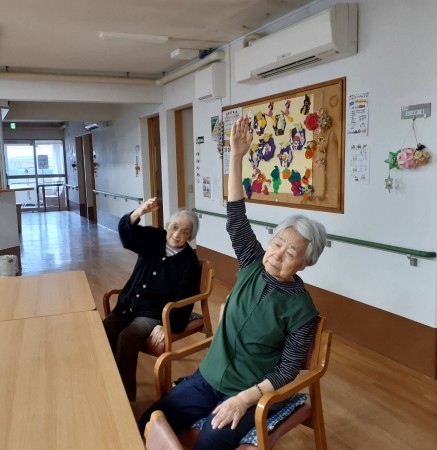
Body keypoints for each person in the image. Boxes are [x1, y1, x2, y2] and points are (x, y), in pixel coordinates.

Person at [138, 117, 327, 449]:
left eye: (291, 252)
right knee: (149, 420)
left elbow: (287, 370)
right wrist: (237, 156)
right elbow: (236, 218)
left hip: (249, 391)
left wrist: (244, 399)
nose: (278, 254)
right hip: (208, 377)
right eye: (277, 243)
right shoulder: (253, 262)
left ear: (306, 262)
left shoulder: (301, 309)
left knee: (208, 444)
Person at [103, 197, 201, 401]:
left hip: (153, 313)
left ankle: (124, 396)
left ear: (190, 236)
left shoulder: (189, 261)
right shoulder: (155, 238)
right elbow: (127, 236)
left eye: (185, 231)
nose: (177, 234)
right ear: (168, 226)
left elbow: (186, 298)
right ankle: (105, 380)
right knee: (104, 330)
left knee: (128, 336)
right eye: (175, 227)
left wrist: (167, 325)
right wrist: (139, 212)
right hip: (129, 305)